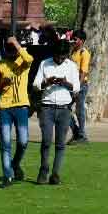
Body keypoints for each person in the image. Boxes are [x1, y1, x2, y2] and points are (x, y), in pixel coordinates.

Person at [33, 41, 82, 186]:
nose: (60, 60)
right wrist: (46, 82)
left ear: (67, 55)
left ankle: (55, 174)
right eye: (57, 57)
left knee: (60, 144)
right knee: (46, 141)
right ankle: (44, 170)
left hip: (64, 108)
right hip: (47, 107)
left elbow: (77, 88)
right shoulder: (44, 64)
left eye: (62, 57)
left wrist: (66, 83)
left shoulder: (71, 66)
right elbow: (35, 85)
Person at [0, 35, 34, 188]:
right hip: (5, 107)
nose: (12, 53)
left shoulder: (22, 62)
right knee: (6, 143)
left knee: (23, 141)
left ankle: (15, 164)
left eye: (14, 50)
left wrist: (16, 44)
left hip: (21, 106)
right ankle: (7, 175)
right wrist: (3, 83)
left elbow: (29, 59)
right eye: (10, 50)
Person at [68, 31, 94, 143]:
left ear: (82, 41)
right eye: (73, 38)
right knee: (65, 108)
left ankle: (82, 134)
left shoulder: (84, 53)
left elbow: (83, 72)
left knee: (79, 110)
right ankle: (77, 132)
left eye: (76, 39)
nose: (74, 40)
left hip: (80, 84)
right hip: (71, 84)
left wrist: (77, 86)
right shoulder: (73, 51)